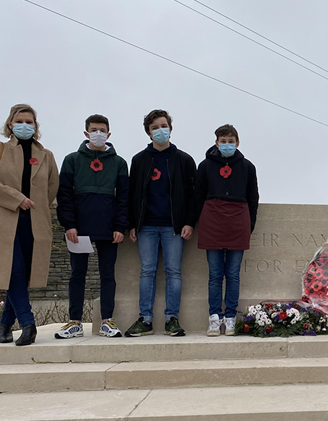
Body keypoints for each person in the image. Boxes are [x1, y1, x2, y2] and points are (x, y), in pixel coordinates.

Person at [0, 104, 59, 346]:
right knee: (14, 271)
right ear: (10, 124)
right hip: (4, 220)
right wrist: (17, 199)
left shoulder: (46, 155)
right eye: (20, 121)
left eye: (30, 121)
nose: (25, 125)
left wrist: (36, 204)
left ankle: (4, 326)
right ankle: (27, 323)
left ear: (36, 126)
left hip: (35, 222)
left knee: (22, 275)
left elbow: (52, 187)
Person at [56, 114, 129, 339]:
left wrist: (120, 226)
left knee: (108, 274)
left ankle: (107, 321)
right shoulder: (72, 159)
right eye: (94, 129)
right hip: (79, 229)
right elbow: (64, 195)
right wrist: (69, 224)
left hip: (109, 229)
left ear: (109, 133)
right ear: (86, 133)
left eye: (102, 129)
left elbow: (124, 197)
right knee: (78, 274)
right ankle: (75, 322)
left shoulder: (119, 163)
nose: (99, 133)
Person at [125, 109, 197, 337]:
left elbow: (193, 195)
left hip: (174, 226)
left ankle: (171, 319)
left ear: (171, 129)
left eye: (163, 125)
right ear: (148, 133)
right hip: (146, 226)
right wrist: (132, 224)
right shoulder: (139, 160)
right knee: (147, 271)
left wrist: (189, 222)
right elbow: (132, 194)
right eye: (155, 127)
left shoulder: (184, 160)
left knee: (173, 271)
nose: (160, 130)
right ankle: (145, 319)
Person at [195, 124, 259, 337]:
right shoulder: (204, 166)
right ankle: (214, 318)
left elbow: (253, 198)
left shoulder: (248, 167)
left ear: (237, 143)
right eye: (223, 141)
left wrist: (250, 225)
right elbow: (198, 196)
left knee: (232, 275)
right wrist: (194, 223)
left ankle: (230, 318)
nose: (227, 145)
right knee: (214, 275)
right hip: (211, 222)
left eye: (231, 141)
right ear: (216, 143)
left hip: (238, 224)